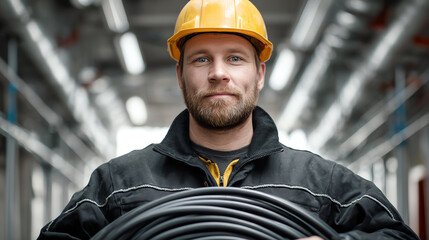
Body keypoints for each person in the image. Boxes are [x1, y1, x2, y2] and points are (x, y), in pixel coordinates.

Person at [38, 0, 419, 239]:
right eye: (201, 58)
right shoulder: (118, 185)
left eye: (235, 58)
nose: (218, 73)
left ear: (260, 74)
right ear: (180, 75)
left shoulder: (322, 185)